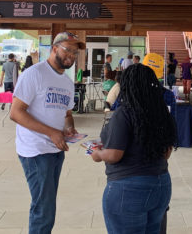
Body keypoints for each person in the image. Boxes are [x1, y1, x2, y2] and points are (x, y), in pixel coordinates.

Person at [90, 63, 176, 234]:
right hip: (161, 185)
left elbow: (114, 155)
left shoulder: (125, 113)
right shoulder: (162, 112)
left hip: (128, 189)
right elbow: (166, 152)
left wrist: (98, 154)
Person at [9, 32, 82, 234]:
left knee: (47, 204)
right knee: (44, 208)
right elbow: (15, 112)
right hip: (35, 150)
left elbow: (66, 113)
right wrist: (51, 132)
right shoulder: (34, 74)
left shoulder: (67, 82)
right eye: (68, 49)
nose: (72, 55)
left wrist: (68, 128)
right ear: (54, 48)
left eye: (75, 52)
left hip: (56, 149)